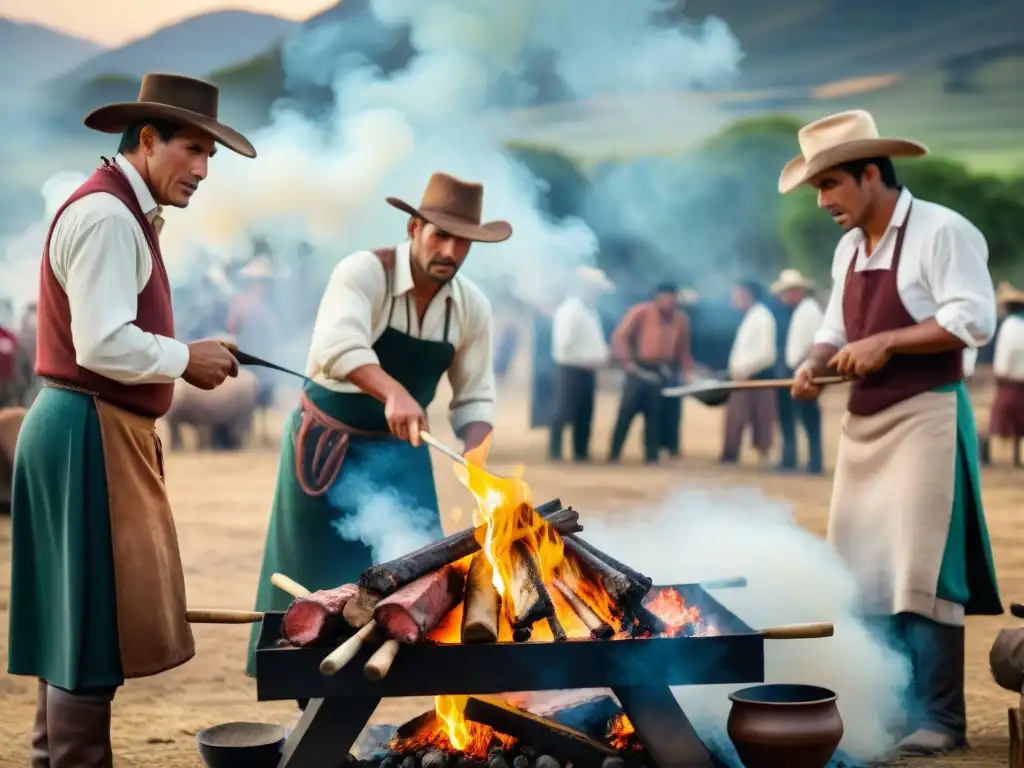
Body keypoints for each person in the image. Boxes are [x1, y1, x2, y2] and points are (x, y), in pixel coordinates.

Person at [6, 73, 253, 767]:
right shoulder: (111, 216)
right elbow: (102, 343)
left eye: (212, 157)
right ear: (148, 140)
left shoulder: (121, 210)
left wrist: (186, 351)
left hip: (87, 427)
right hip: (88, 434)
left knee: (74, 624)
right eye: (193, 150)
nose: (204, 170)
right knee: (88, 625)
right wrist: (184, 359)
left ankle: (50, 757)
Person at [785, 109, 1002, 756]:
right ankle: (888, 708)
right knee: (864, 569)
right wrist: (813, 364)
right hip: (864, 425)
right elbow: (833, 328)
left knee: (922, 571)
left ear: (871, 173)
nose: (823, 202)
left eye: (831, 185)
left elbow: (973, 319)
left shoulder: (942, 230)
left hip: (926, 414)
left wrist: (889, 341)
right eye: (817, 189)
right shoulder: (850, 247)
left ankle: (941, 719)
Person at [246, 172, 508, 676]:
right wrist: (393, 392)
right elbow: (338, 348)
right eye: (439, 234)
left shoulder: (472, 306)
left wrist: (477, 460)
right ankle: (308, 699)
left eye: (463, 242)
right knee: (314, 583)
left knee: (416, 591)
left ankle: (396, 707)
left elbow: (476, 397)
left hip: (402, 454)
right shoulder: (363, 272)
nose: (450, 250)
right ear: (413, 228)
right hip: (325, 450)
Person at [608, 283, 693, 464]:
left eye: (673, 297)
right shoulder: (641, 312)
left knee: (656, 415)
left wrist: (686, 372)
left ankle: (651, 456)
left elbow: (683, 349)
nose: (670, 301)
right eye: (666, 296)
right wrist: (627, 361)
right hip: (638, 369)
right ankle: (614, 453)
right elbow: (620, 337)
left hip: (662, 371)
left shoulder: (680, 319)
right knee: (626, 413)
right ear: (657, 297)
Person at [549, 266, 614, 462]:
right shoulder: (570, 311)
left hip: (588, 369)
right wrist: (586, 358)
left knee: (585, 413)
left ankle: (581, 452)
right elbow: (564, 344)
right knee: (565, 410)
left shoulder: (589, 311)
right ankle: (556, 452)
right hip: (571, 369)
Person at [770, 269, 824, 473]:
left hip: (804, 371)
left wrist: (804, 367)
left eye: (788, 291)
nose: (785, 296)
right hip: (794, 371)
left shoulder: (809, 310)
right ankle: (790, 459)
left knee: (808, 418)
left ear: (797, 291)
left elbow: (815, 344)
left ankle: (814, 463)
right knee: (792, 417)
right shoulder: (799, 311)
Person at [721, 280, 777, 466]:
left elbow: (766, 353)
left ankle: (763, 456)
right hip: (742, 377)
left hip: (756, 376)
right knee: (735, 417)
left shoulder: (763, 318)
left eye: (737, 295)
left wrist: (744, 370)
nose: (734, 299)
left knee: (762, 417)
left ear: (747, 295)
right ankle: (730, 454)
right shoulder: (750, 317)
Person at [985, 282, 1024, 467]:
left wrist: (1000, 374)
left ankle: (994, 456)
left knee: (1007, 419)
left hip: (1011, 381)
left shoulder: (1009, 326)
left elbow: (1004, 357)